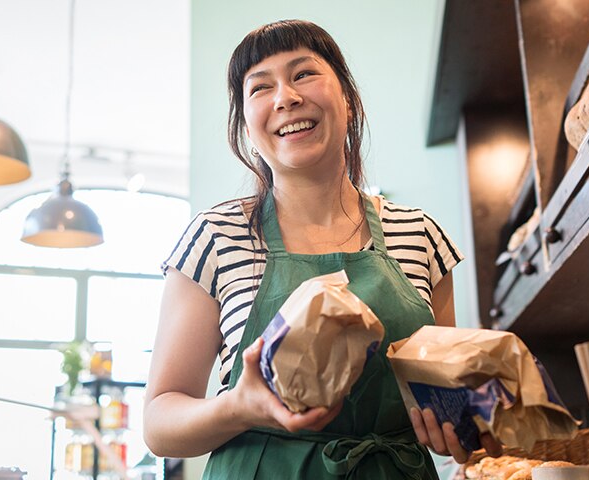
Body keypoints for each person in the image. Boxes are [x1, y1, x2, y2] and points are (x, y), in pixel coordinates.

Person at [144, 19, 503, 479]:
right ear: (246, 127)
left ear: (348, 101)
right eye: (260, 88)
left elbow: (445, 398)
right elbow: (159, 423)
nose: (285, 97)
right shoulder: (216, 236)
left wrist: (462, 431)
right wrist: (239, 407)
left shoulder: (420, 234)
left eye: (304, 74)